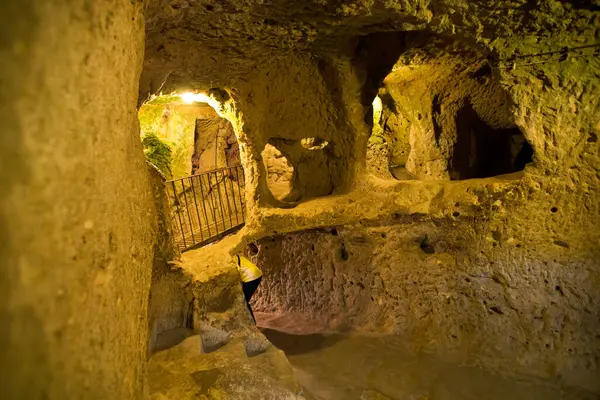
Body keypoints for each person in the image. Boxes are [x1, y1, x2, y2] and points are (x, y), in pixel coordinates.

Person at [235, 243, 262, 323]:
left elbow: (236, 270)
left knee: (243, 300)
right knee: (244, 299)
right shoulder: (237, 256)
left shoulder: (232, 258)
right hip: (257, 274)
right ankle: (250, 321)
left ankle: (251, 322)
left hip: (251, 278)